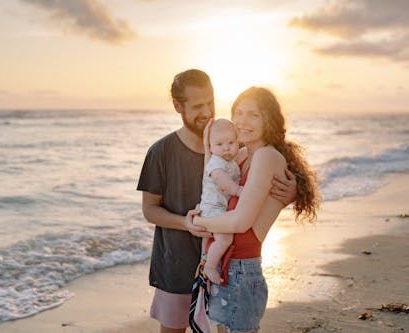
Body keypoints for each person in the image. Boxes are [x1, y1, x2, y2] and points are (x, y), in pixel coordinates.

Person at [137, 69, 297, 333]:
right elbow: (150, 210)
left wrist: (289, 194)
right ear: (178, 106)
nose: (207, 111)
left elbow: (263, 181)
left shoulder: (235, 146)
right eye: (198, 106)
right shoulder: (161, 152)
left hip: (223, 262)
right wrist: (187, 223)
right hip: (176, 262)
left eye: (210, 102)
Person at [193, 86, 321, 333]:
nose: (242, 121)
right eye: (238, 112)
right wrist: (209, 151)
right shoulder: (242, 156)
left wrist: (200, 225)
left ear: (269, 120)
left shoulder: (265, 156)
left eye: (253, 114)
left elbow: (240, 223)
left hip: (241, 267)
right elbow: (211, 185)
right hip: (223, 263)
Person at [199, 118, 242, 285]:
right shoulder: (216, 163)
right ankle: (210, 266)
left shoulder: (229, 161)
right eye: (219, 144)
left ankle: (205, 258)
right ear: (210, 147)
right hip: (213, 208)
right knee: (224, 239)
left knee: (210, 241)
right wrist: (237, 191)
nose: (226, 147)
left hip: (216, 207)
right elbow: (221, 179)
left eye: (231, 142)